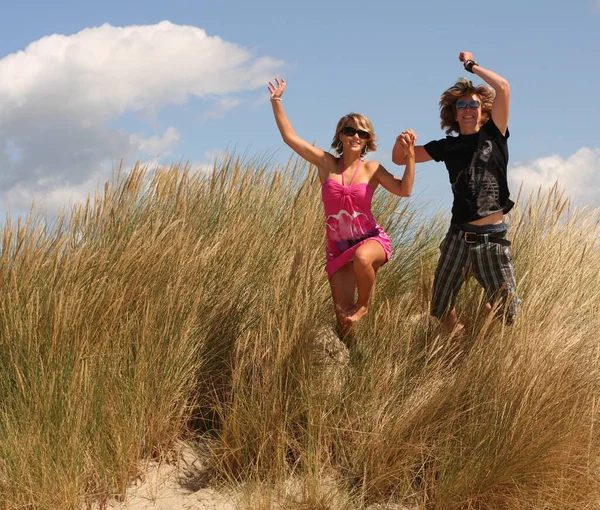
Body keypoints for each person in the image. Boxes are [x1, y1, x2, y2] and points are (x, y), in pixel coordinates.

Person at [268, 78, 416, 333]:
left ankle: (365, 305)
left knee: (361, 258)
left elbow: (404, 190)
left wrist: (411, 157)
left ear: (368, 139)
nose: (356, 136)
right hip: (337, 248)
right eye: (350, 131)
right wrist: (276, 101)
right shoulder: (326, 164)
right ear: (341, 135)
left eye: (362, 133)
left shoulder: (372, 169)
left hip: (371, 240)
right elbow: (290, 138)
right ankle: (348, 360)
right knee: (343, 321)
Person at [392, 52, 519, 333]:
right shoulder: (446, 147)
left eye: (473, 104)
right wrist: (402, 141)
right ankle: (457, 340)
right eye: (461, 105)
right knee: (440, 307)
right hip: (458, 235)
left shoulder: (494, 134)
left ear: (483, 111)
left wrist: (471, 66)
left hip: (492, 237)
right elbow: (401, 159)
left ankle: (480, 330)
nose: (468, 109)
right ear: (454, 113)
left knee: (507, 312)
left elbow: (504, 87)